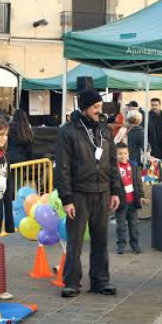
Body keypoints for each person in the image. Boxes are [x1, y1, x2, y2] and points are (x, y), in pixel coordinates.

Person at [56, 88, 121, 298]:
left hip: (102, 191)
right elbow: (63, 167)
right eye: (95, 107)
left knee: (101, 239)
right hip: (79, 193)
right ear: (84, 108)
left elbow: (112, 162)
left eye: (99, 107)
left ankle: (101, 280)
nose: (98, 110)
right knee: (75, 240)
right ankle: (72, 282)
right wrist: (67, 198)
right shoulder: (68, 131)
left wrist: (114, 191)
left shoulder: (104, 130)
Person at [114, 143, 145, 255]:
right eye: (120, 153)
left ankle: (135, 244)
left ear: (128, 154)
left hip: (133, 201)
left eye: (125, 153)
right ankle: (121, 245)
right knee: (120, 226)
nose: (123, 156)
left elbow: (138, 183)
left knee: (133, 225)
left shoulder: (134, 166)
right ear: (115, 154)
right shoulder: (113, 168)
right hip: (121, 203)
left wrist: (141, 196)